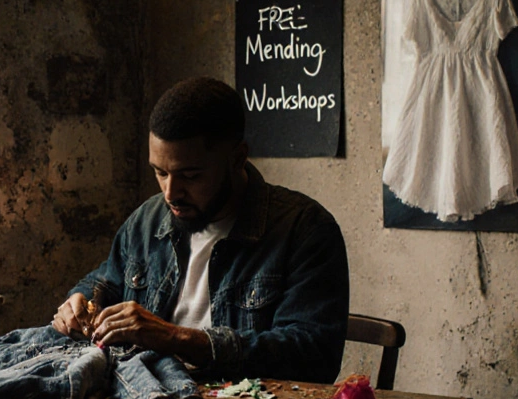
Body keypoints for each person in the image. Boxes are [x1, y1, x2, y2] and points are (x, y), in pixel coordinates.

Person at [52, 77, 350, 383]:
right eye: (160, 173)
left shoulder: (306, 231)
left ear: (237, 159)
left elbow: (313, 356)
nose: (170, 193)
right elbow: (106, 282)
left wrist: (176, 338)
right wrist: (81, 301)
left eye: (190, 176)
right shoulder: (147, 220)